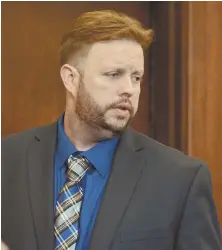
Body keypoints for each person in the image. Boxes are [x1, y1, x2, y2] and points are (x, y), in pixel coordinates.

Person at [1, 10, 222, 250]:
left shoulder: (181, 179)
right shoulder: (7, 159)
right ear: (71, 79)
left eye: (136, 77)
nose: (129, 89)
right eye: (114, 74)